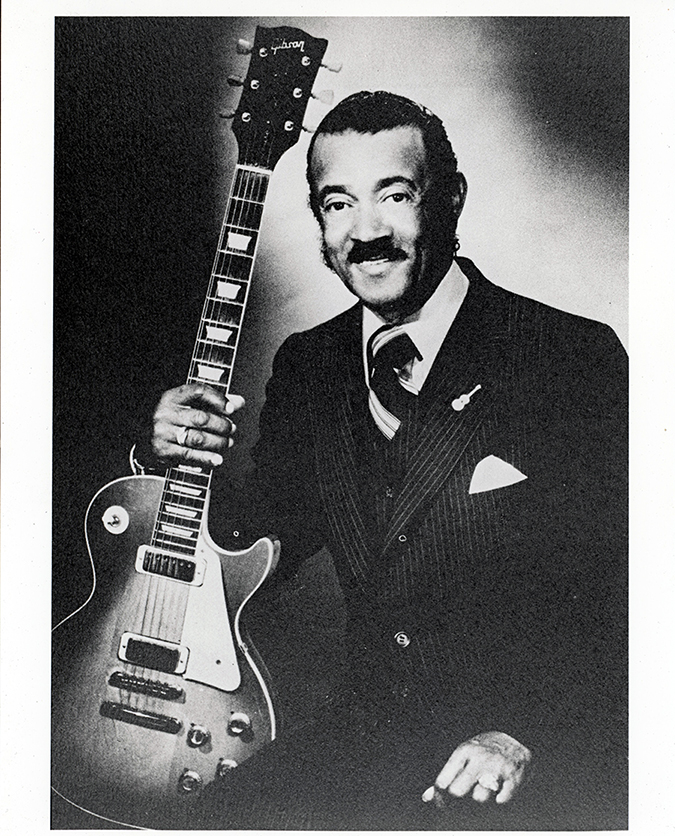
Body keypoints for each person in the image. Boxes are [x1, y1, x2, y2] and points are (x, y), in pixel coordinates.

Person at [135, 91, 627, 829]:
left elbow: (631, 591)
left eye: (393, 196)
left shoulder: (569, 356)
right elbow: (257, 549)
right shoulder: (310, 364)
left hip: (533, 748)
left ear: (449, 199)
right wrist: (172, 454)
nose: (365, 232)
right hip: (368, 740)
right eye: (337, 204)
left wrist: (521, 731)